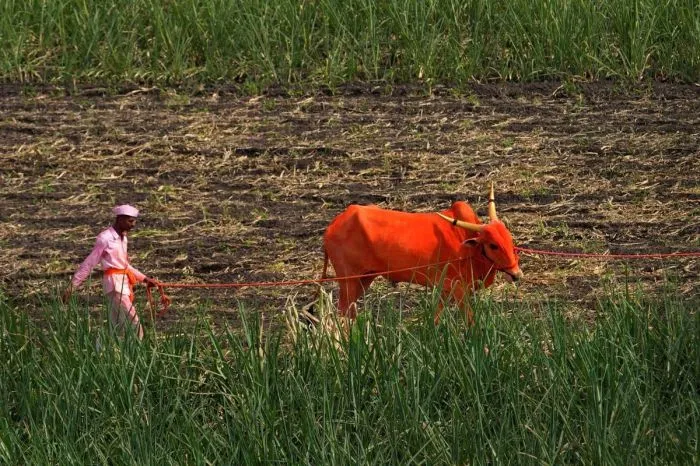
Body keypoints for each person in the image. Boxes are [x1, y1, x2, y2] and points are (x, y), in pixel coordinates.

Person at [63, 204, 157, 340]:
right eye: (130, 221)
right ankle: (138, 348)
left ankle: (107, 349)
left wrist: (145, 279)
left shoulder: (123, 239)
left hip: (122, 284)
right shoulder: (105, 238)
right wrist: (72, 287)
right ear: (120, 219)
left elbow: (125, 266)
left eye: (134, 221)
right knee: (133, 322)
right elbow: (89, 263)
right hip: (115, 285)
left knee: (117, 325)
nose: (133, 225)